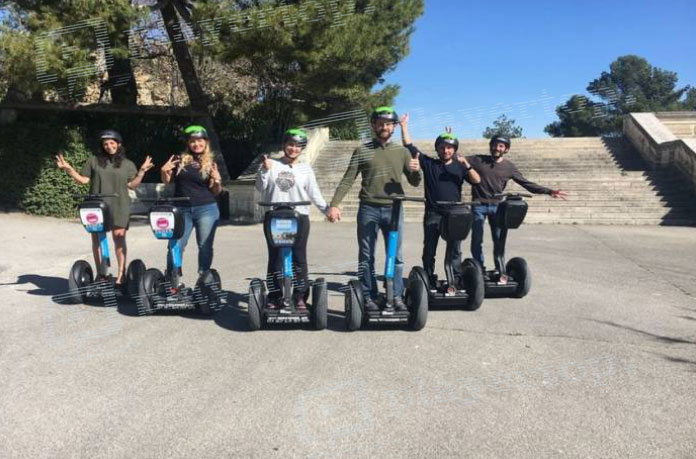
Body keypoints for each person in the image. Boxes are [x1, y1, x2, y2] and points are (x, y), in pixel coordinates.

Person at [326, 106, 421, 311]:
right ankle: (368, 296)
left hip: (394, 209)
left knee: (395, 256)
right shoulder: (362, 150)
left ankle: (395, 296)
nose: (384, 127)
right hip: (368, 208)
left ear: (394, 127)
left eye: (388, 123)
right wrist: (334, 204)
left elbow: (414, 182)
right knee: (366, 255)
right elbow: (348, 179)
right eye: (380, 123)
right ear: (373, 125)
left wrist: (416, 170)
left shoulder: (402, 151)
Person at [56, 130, 154, 287]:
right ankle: (102, 274)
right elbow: (83, 180)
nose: (109, 146)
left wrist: (141, 172)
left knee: (119, 238)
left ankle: (121, 275)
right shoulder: (93, 161)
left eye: (112, 143)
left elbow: (132, 184)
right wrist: (69, 169)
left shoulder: (127, 164)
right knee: (98, 240)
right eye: (105, 144)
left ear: (118, 144)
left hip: (119, 204)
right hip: (97, 206)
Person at [466, 134, 568, 283]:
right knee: (477, 239)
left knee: (499, 239)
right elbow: (456, 158)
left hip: (497, 206)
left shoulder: (509, 167)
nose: (497, 148)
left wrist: (549, 191)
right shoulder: (478, 160)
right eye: (494, 145)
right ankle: (479, 269)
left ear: (506, 149)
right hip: (478, 206)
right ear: (490, 146)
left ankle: (500, 268)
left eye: (501, 146)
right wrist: (449, 137)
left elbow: (526, 183)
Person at [399, 114, 481, 285]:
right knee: (429, 249)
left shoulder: (460, 166)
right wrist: (404, 126)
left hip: (454, 214)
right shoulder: (429, 164)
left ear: (455, 149)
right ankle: (427, 278)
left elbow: (476, 180)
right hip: (433, 213)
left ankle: (456, 278)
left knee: (455, 250)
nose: (446, 150)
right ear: (437, 149)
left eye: (450, 148)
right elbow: (409, 145)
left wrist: (467, 165)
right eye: (442, 147)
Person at [255, 128, 330, 310]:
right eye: (290, 144)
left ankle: (299, 297)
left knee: (299, 258)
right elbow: (260, 187)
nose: (293, 149)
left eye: (298, 146)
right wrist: (264, 170)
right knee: (275, 259)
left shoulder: (305, 169)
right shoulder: (270, 164)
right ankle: (274, 297)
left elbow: (314, 193)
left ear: (302, 148)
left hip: (299, 217)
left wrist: (327, 209)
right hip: (275, 216)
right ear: (284, 145)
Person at [160, 125, 223, 281]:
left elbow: (216, 191)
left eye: (200, 140)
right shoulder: (179, 160)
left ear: (206, 142)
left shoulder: (211, 162)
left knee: (204, 246)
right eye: (193, 141)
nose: (196, 144)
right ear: (188, 143)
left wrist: (217, 179)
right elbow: (167, 182)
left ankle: (204, 279)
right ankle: (173, 280)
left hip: (207, 209)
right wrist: (164, 171)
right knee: (175, 245)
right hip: (181, 209)